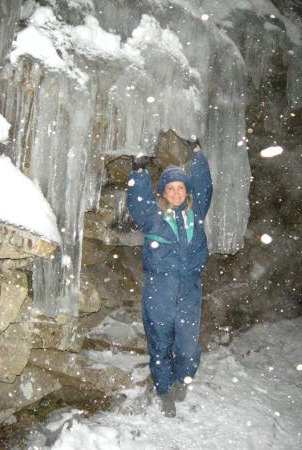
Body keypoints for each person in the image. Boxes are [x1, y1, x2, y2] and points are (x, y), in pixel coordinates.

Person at [126, 138, 213, 418]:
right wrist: (139, 174)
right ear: (163, 192)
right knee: (160, 344)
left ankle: (181, 379)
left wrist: (197, 154)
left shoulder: (196, 212)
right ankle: (164, 391)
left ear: (187, 191)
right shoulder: (153, 216)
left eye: (181, 188)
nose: (176, 193)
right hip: (159, 289)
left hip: (189, 287)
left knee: (188, 346)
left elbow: (205, 186)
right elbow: (138, 201)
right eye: (170, 188)